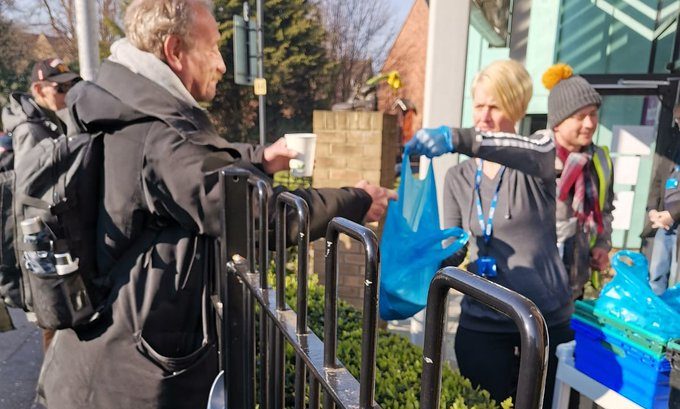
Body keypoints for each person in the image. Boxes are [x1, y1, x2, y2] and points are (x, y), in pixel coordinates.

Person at [37, 1, 395, 408]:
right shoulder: (158, 135)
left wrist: (259, 160)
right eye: (212, 47)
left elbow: (198, 170)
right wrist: (356, 200)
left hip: (99, 358)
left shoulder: (128, 113)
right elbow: (258, 214)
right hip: (129, 385)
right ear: (174, 51)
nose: (222, 64)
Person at [407, 59, 573, 408]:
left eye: (494, 106)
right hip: (482, 322)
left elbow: (544, 153)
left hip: (543, 324)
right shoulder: (459, 177)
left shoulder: (535, 156)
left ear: (515, 106)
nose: (483, 116)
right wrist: (435, 254)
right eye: (478, 105)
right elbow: (456, 244)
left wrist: (459, 138)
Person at [1, 58, 81, 351]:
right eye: (60, 87)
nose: (67, 93)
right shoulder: (31, 130)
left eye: (72, 85)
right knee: (56, 326)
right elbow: (32, 197)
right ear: (39, 88)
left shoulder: (49, 120)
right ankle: (54, 393)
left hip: (51, 242)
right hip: (45, 248)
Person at [543, 63, 614, 300]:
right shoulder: (536, 157)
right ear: (558, 122)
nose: (589, 123)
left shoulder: (600, 158)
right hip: (537, 282)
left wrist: (602, 246)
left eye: (593, 114)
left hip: (577, 280)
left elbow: (604, 210)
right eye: (580, 116)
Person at [645, 106, 680, 294]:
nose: (678, 124)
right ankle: (655, 313)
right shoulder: (674, 145)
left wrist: (673, 214)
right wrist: (652, 209)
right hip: (663, 222)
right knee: (656, 271)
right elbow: (659, 178)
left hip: (674, 219)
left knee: (676, 276)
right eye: (676, 120)